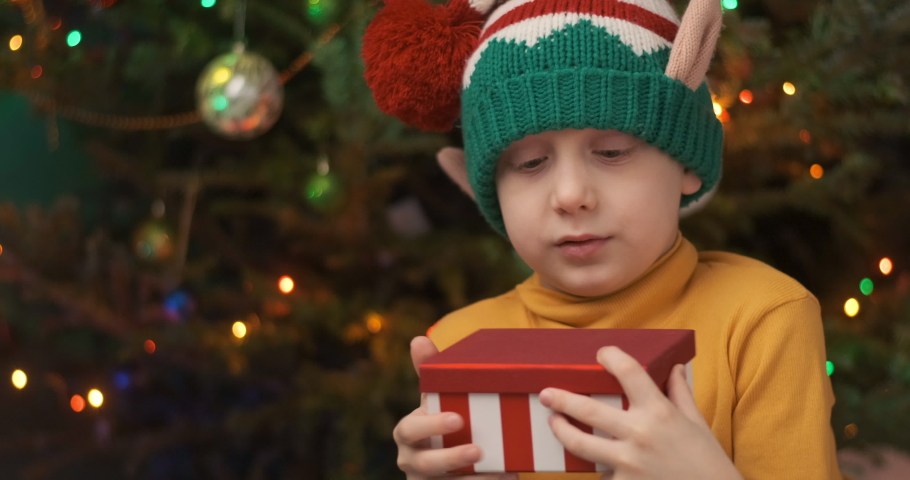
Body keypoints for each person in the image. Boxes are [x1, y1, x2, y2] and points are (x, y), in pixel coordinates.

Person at [361, 0, 843, 479]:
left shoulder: (761, 319)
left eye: (612, 152)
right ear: (488, 191)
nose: (571, 196)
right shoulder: (461, 345)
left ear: (685, 163)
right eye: (530, 163)